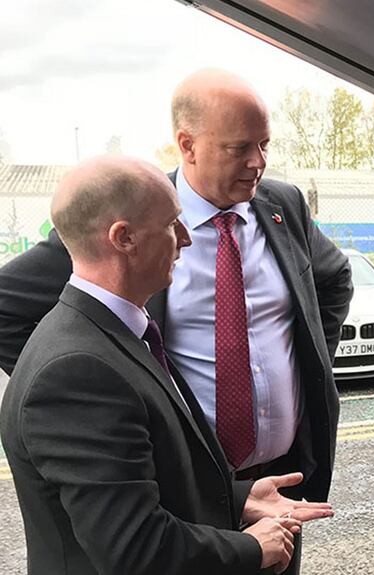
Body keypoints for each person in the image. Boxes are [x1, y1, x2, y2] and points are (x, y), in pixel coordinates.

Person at [0, 71, 350, 497]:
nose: (258, 162)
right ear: (188, 145)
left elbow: (334, 277)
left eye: (264, 144)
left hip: (281, 477)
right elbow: (6, 308)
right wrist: (87, 388)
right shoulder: (134, 214)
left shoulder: (284, 205)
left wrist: (311, 364)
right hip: (182, 485)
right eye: (239, 148)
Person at [0, 155, 333, 574]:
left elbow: (140, 484)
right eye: (173, 224)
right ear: (124, 238)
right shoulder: (77, 373)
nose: (187, 239)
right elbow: (135, 547)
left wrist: (237, 497)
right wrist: (251, 548)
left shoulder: (117, 333)